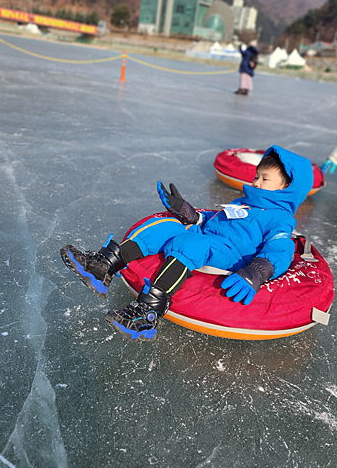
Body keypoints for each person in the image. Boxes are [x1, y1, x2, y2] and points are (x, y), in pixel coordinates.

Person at [60, 146, 313, 341]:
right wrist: (192, 215)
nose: (256, 182)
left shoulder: (279, 218)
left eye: (264, 179)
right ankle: (104, 266)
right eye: (257, 176)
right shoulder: (243, 203)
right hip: (212, 238)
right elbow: (216, 221)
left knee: (190, 243)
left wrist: (257, 272)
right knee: (168, 227)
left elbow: (280, 249)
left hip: (232, 255)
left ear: (286, 187)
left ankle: (148, 314)